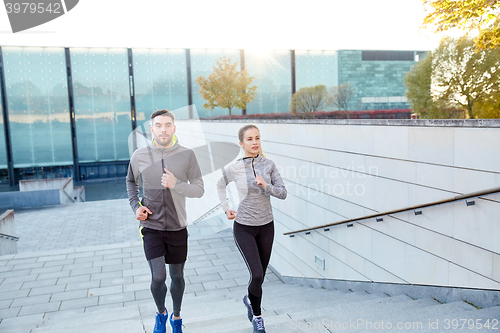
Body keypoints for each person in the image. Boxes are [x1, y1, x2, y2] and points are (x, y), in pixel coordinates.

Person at [126, 109, 204, 333]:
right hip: (151, 227)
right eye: (158, 125)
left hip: (178, 226)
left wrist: (176, 184)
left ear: (174, 128)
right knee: (158, 276)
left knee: (177, 276)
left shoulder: (187, 155)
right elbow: (131, 181)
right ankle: (161, 313)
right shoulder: (140, 155)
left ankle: (176, 318)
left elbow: (199, 189)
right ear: (152, 129)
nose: (163, 129)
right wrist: (136, 206)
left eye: (167, 125)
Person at [216, 123, 287, 333]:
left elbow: (283, 193)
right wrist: (226, 208)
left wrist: (267, 185)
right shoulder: (235, 167)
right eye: (250, 139)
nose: (255, 142)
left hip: (266, 226)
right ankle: (258, 317)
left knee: (261, 277)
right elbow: (220, 184)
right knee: (256, 275)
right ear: (241, 143)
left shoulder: (269, 165)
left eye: (257, 138)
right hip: (244, 227)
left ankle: (249, 299)